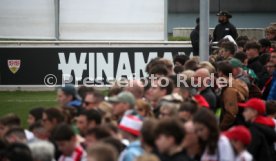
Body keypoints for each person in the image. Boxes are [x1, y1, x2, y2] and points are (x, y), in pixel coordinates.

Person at [217, 61, 249, 130]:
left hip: (233, 127)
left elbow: (231, 113)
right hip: (241, 124)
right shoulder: (239, 83)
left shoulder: (229, 89)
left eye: (218, 73)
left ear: (221, 73)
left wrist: (221, 128)